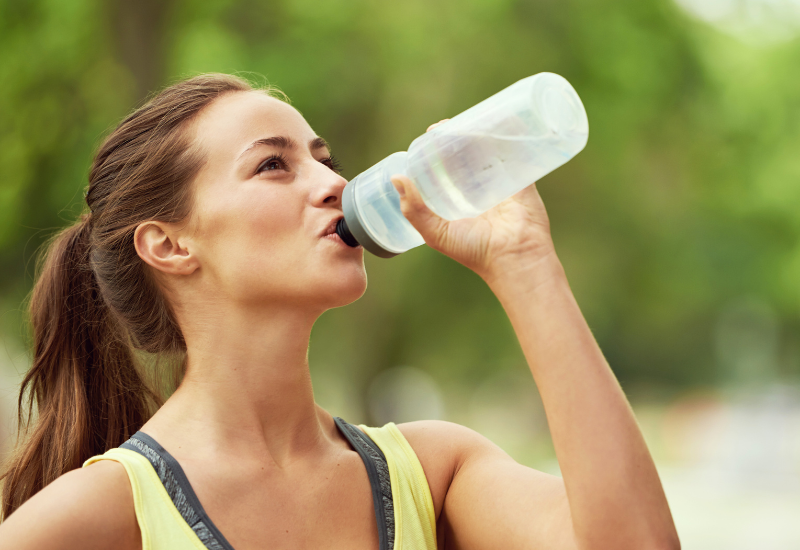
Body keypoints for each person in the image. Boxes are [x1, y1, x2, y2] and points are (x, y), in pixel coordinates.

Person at [0, 73, 679, 550]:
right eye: (274, 165)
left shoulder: (433, 473)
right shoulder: (105, 513)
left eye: (326, 161)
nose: (334, 184)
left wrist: (527, 262)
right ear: (170, 244)